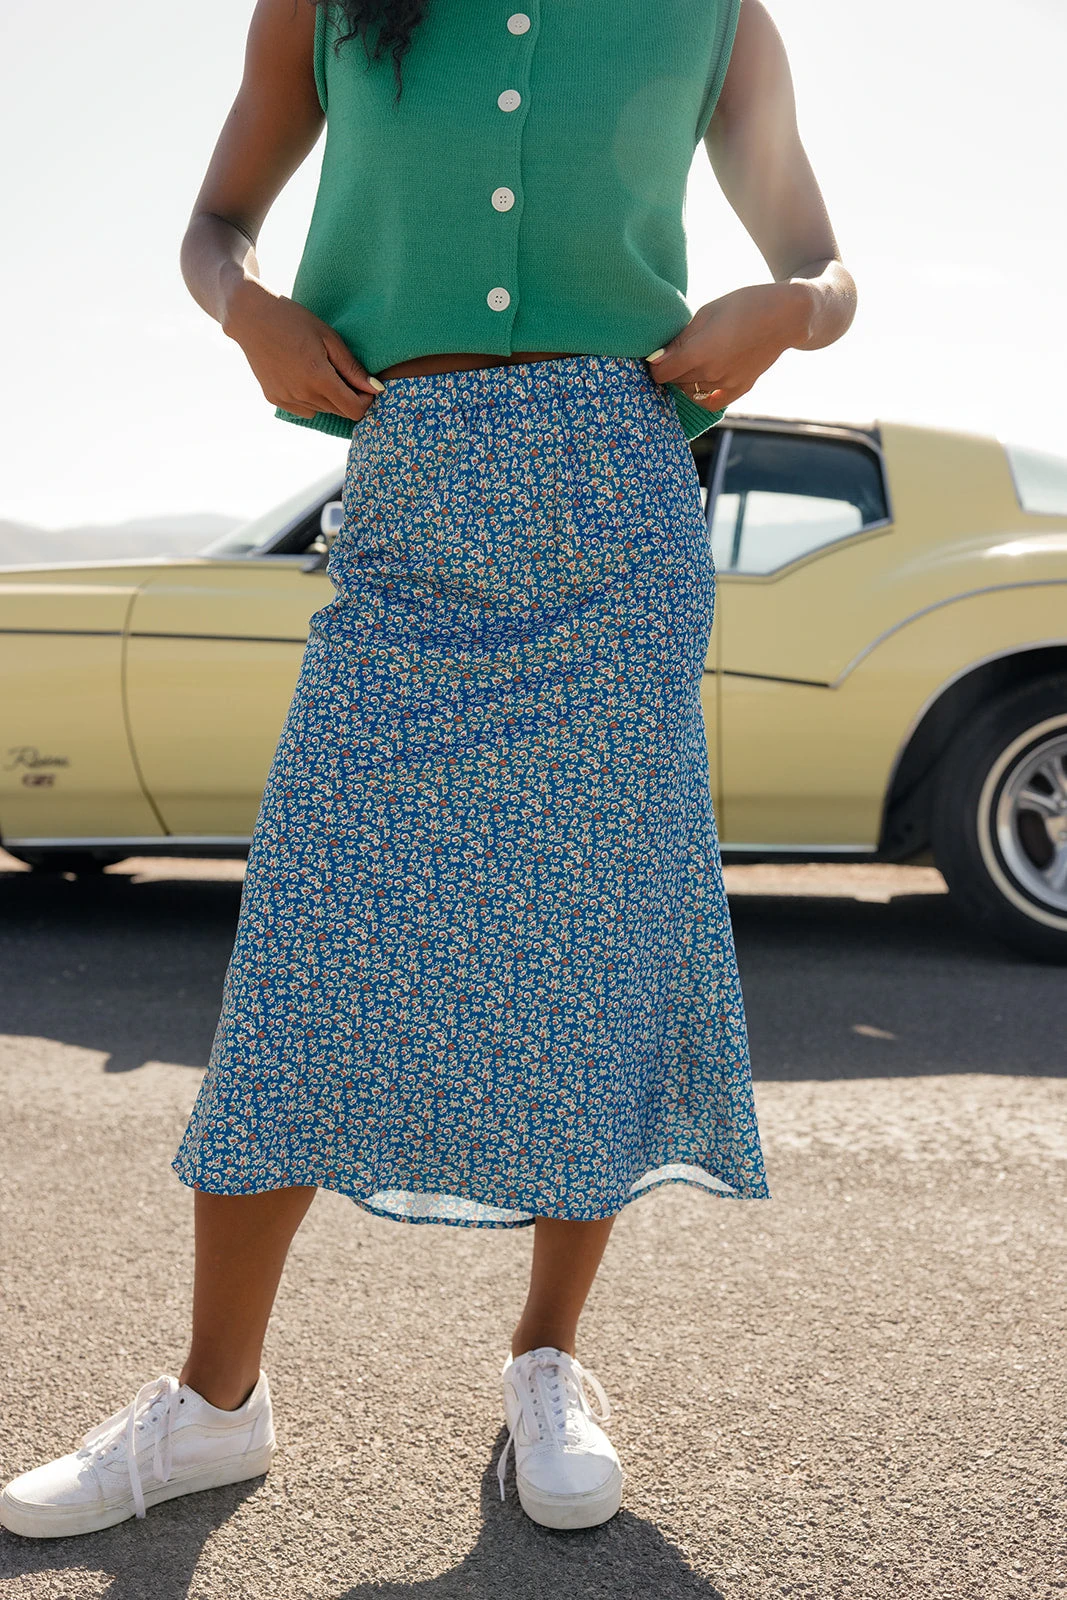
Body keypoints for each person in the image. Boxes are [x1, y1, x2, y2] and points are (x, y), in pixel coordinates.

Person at [1, 0, 855, 1540]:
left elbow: (823, 258)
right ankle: (213, 1404)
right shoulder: (326, 3)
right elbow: (213, 224)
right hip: (409, 502)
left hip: (621, 509)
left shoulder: (713, 12)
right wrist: (244, 306)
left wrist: (782, 311)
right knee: (304, 951)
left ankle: (546, 1362)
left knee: (593, 949)